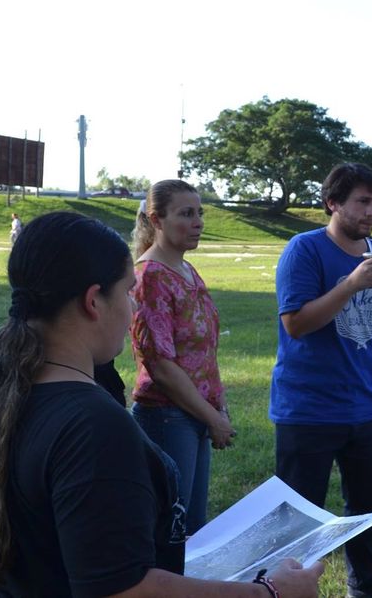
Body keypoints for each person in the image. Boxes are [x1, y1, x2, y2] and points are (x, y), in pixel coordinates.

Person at [0, 211, 323, 597]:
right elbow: (121, 589)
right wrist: (272, 592)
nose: (132, 309)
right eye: (128, 292)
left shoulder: (11, 394)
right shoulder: (93, 427)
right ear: (94, 301)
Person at [271, 162, 372, 598]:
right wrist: (350, 283)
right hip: (309, 409)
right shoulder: (304, 250)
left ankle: (365, 584)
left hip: (368, 407)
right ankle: (286, 588)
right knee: (299, 514)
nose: (371, 212)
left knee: (366, 507)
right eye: (362, 202)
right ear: (333, 203)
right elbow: (296, 323)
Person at [130, 180, 232, 534]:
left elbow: (202, 352)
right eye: (186, 214)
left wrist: (217, 405)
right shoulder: (150, 277)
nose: (198, 222)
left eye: (199, 213)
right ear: (157, 220)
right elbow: (159, 365)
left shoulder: (186, 270)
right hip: (167, 416)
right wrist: (213, 419)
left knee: (193, 528)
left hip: (194, 413)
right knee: (172, 529)